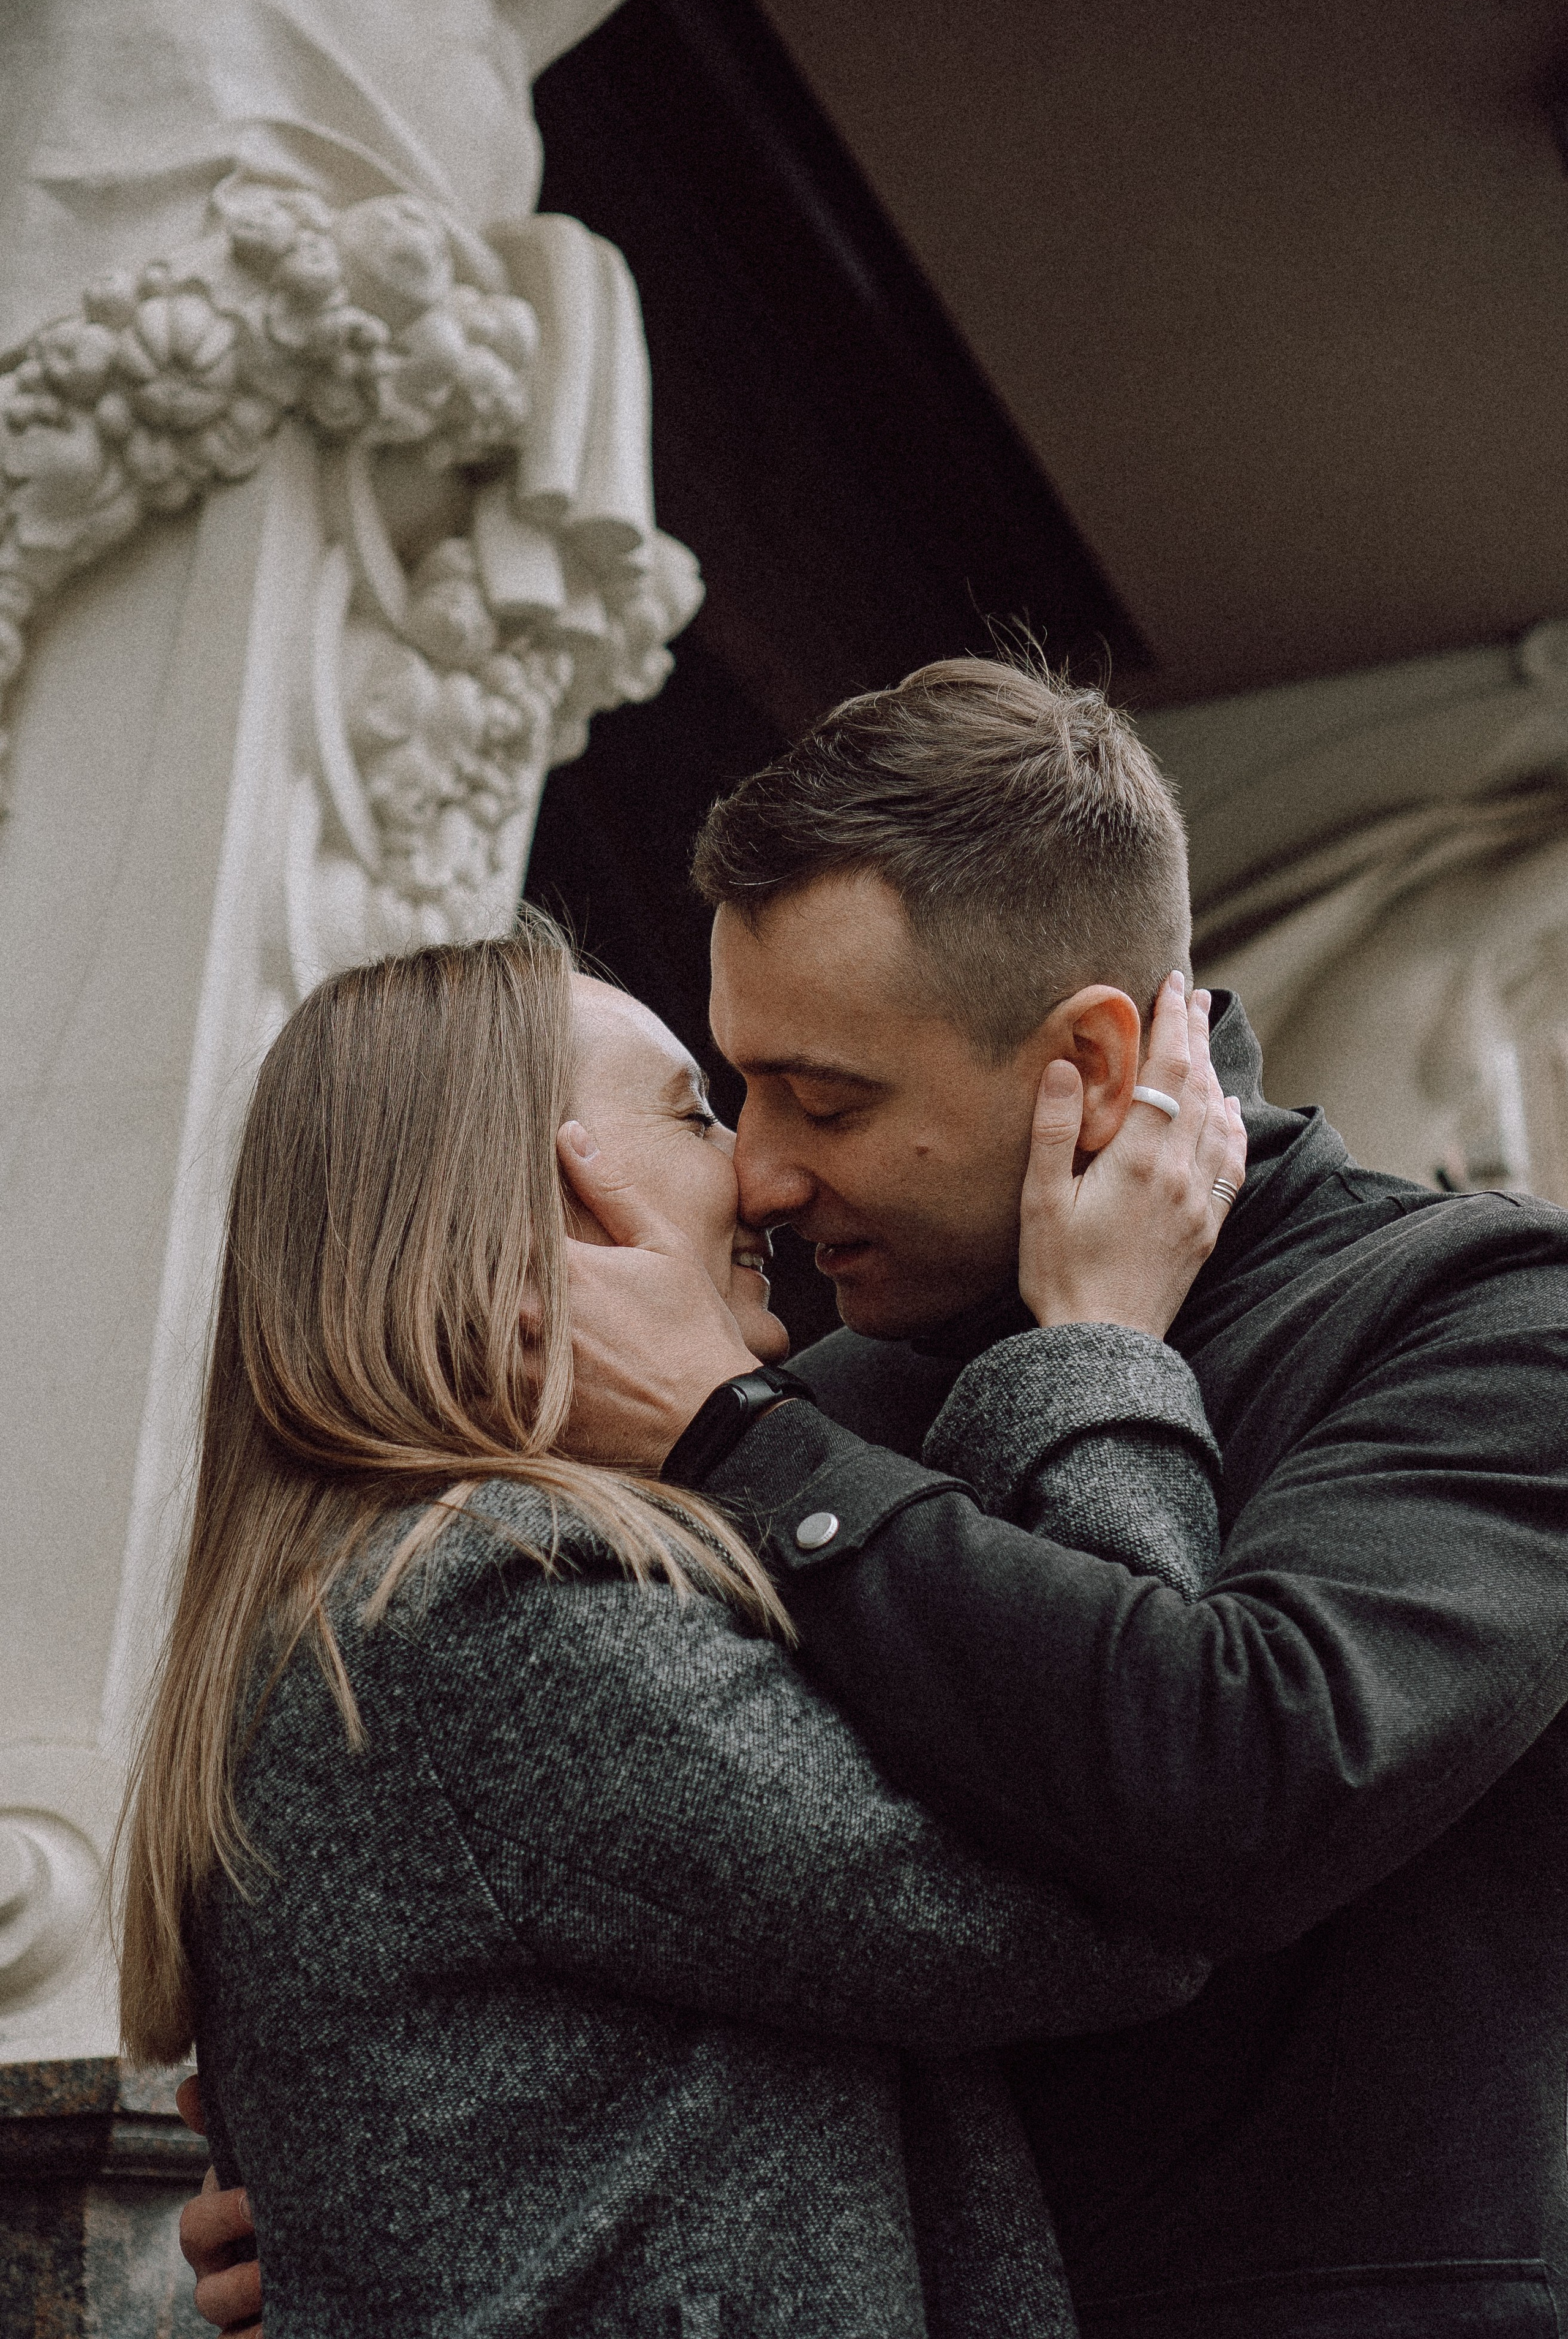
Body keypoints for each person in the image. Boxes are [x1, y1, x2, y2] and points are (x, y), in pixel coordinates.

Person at [133, 905, 1247, 2338]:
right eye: (694, 1113)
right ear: (538, 1201)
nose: (761, 1175)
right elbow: (1121, 1881)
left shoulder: (393, 1598)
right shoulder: (500, 1619)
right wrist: (1101, 1345)